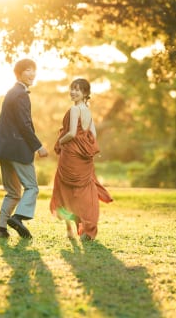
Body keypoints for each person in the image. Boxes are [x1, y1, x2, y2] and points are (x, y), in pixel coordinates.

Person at [0, 58, 49, 239]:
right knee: (31, 187)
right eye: (28, 70)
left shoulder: (10, 93)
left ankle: (1, 229)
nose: (32, 74)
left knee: (13, 192)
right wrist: (38, 146)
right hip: (17, 149)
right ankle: (17, 217)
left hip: (4, 150)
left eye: (34, 70)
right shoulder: (21, 94)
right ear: (19, 73)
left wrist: (5, 142)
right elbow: (25, 124)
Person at [50, 78, 112, 241]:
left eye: (77, 89)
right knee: (83, 191)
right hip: (83, 156)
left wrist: (59, 141)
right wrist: (85, 147)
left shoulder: (75, 109)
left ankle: (70, 229)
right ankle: (85, 226)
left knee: (65, 190)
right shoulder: (88, 111)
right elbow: (93, 134)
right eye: (72, 88)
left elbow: (70, 133)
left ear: (85, 93)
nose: (73, 92)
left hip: (71, 154)